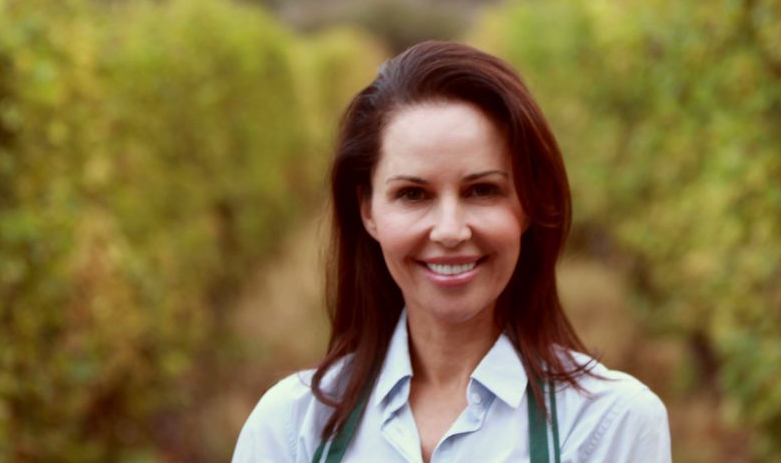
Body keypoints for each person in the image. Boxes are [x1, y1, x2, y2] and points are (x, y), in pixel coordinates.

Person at [232, 41, 670, 462]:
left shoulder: (610, 426)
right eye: (413, 194)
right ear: (368, 210)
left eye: (482, 190)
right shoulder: (291, 428)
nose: (449, 230)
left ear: (528, 205)